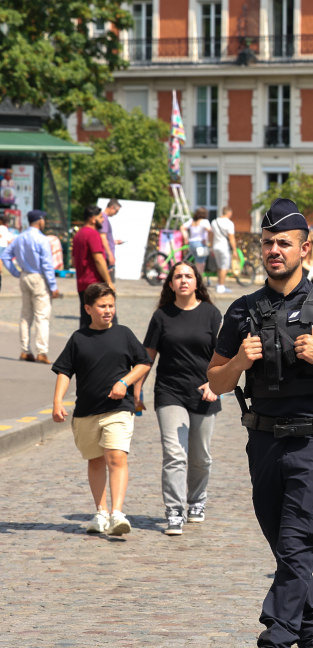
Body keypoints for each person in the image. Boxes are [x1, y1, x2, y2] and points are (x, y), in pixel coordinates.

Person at [207, 198, 313, 648]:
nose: (274, 250)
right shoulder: (243, 310)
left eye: (283, 243)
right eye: (267, 243)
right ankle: (311, 623)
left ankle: (277, 635)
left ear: (305, 248)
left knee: (298, 542)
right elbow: (216, 379)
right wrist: (239, 363)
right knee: (285, 547)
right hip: (262, 441)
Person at [51, 283, 151, 537]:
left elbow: (143, 363)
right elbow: (65, 371)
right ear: (88, 308)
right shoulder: (78, 338)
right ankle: (101, 512)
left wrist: (123, 382)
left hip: (118, 408)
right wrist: (57, 401)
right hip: (86, 411)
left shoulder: (124, 334)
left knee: (116, 457)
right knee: (95, 460)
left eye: (111, 306)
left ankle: (117, 513)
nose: (108, 310)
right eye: (102, 306)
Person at [144, 262, 223, 535]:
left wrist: (216, 384)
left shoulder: (212, 314)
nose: (183, 280)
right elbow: (147, 358)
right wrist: (134, 389)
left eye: (188, 276)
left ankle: (197, 501)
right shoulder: (161, 317)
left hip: (205, 392)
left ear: (196, 281)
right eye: (178, 276)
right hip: (169, 392)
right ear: (170, 284)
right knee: (175, 454)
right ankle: (174, 511)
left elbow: (223, 355)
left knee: (201, 456)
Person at [2, 209, 62, 362]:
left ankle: (25, 350)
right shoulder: (42, 239)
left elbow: (5, 255)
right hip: (39, 277)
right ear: (40, 220)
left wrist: (16, 273)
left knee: (25, 315)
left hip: (25, 275)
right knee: (42, 316)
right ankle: (41, 352)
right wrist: (53, 286)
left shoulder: (19, 238)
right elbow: (48, 265)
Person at [72, 205, 112, 329]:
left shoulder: (78, 235)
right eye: (100, 217)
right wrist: (109, 282)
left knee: (86, 321)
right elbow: (99, 259)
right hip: (95, 284)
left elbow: (73, 261)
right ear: (92, 219)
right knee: (106, 322)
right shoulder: (93, 234)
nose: (103, 220)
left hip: (82, 283)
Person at [210, 206, 238, 294]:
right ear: (229, 213)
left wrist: (211, 246)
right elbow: (231, 238)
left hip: (215, 246)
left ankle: (219, 284)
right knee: (224, 267)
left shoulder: (214, 222)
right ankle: (221, 286)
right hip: (224, 247)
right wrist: (234, 250)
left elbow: (211, 235)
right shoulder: (229, 223)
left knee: (219, 266)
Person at [183, 207, 213, 274]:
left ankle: (196, 278)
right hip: (200, 243)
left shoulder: (191, 221)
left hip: (192, 243)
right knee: (201, 263)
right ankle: (198, 280)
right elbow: (209, 230)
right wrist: (208, 240)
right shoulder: (204, 221)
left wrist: (186, 238)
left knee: (196, 262)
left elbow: (182, 227)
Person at [102, 198, 122, 270]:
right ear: (112, 207)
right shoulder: (103, 218)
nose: (116, 214)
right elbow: (102, 237)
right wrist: (110, 255)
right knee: (107, 280)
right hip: (106, 256)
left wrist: (114, 242)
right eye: (116, 211)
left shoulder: (105, 218)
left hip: (106, 255)